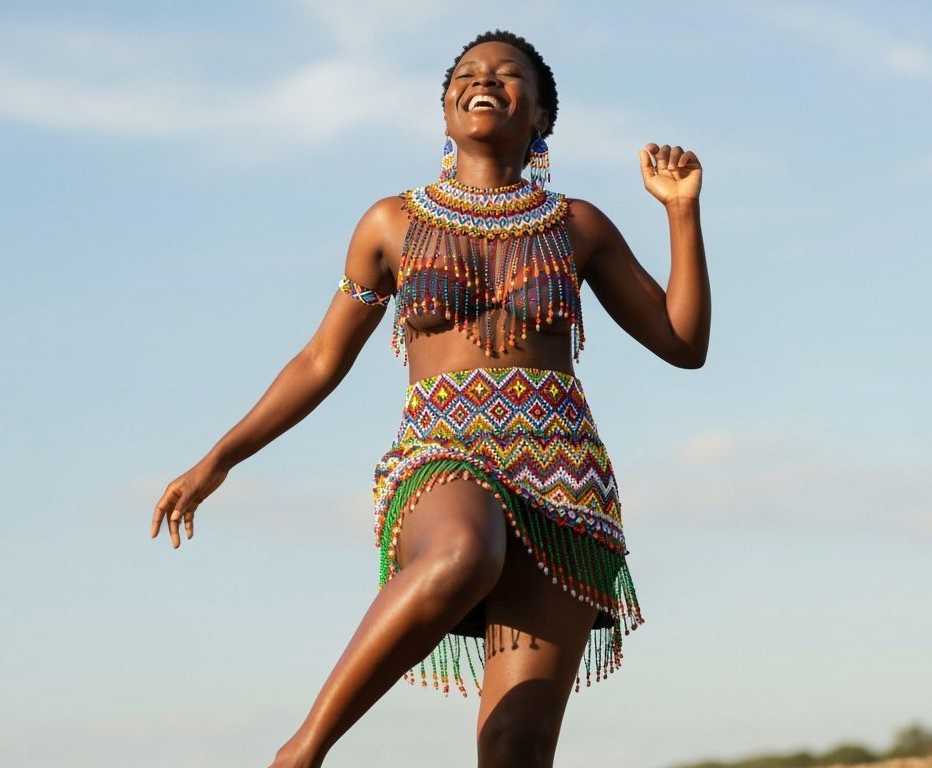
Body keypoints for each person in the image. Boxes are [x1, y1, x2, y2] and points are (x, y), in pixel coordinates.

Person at [150, 29, 708, 768]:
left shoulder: (578, 226)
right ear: (445, 109)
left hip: (566, 481)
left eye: (510, 76)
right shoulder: (391, 223)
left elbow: (682, 342)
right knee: (461, 549)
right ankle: (302, 751)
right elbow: (320, 359)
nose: (485, 81)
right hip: (443, 454)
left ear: (540, 117)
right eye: (468, 74)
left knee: (519, 742)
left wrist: (680, 212)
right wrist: (219, 459)